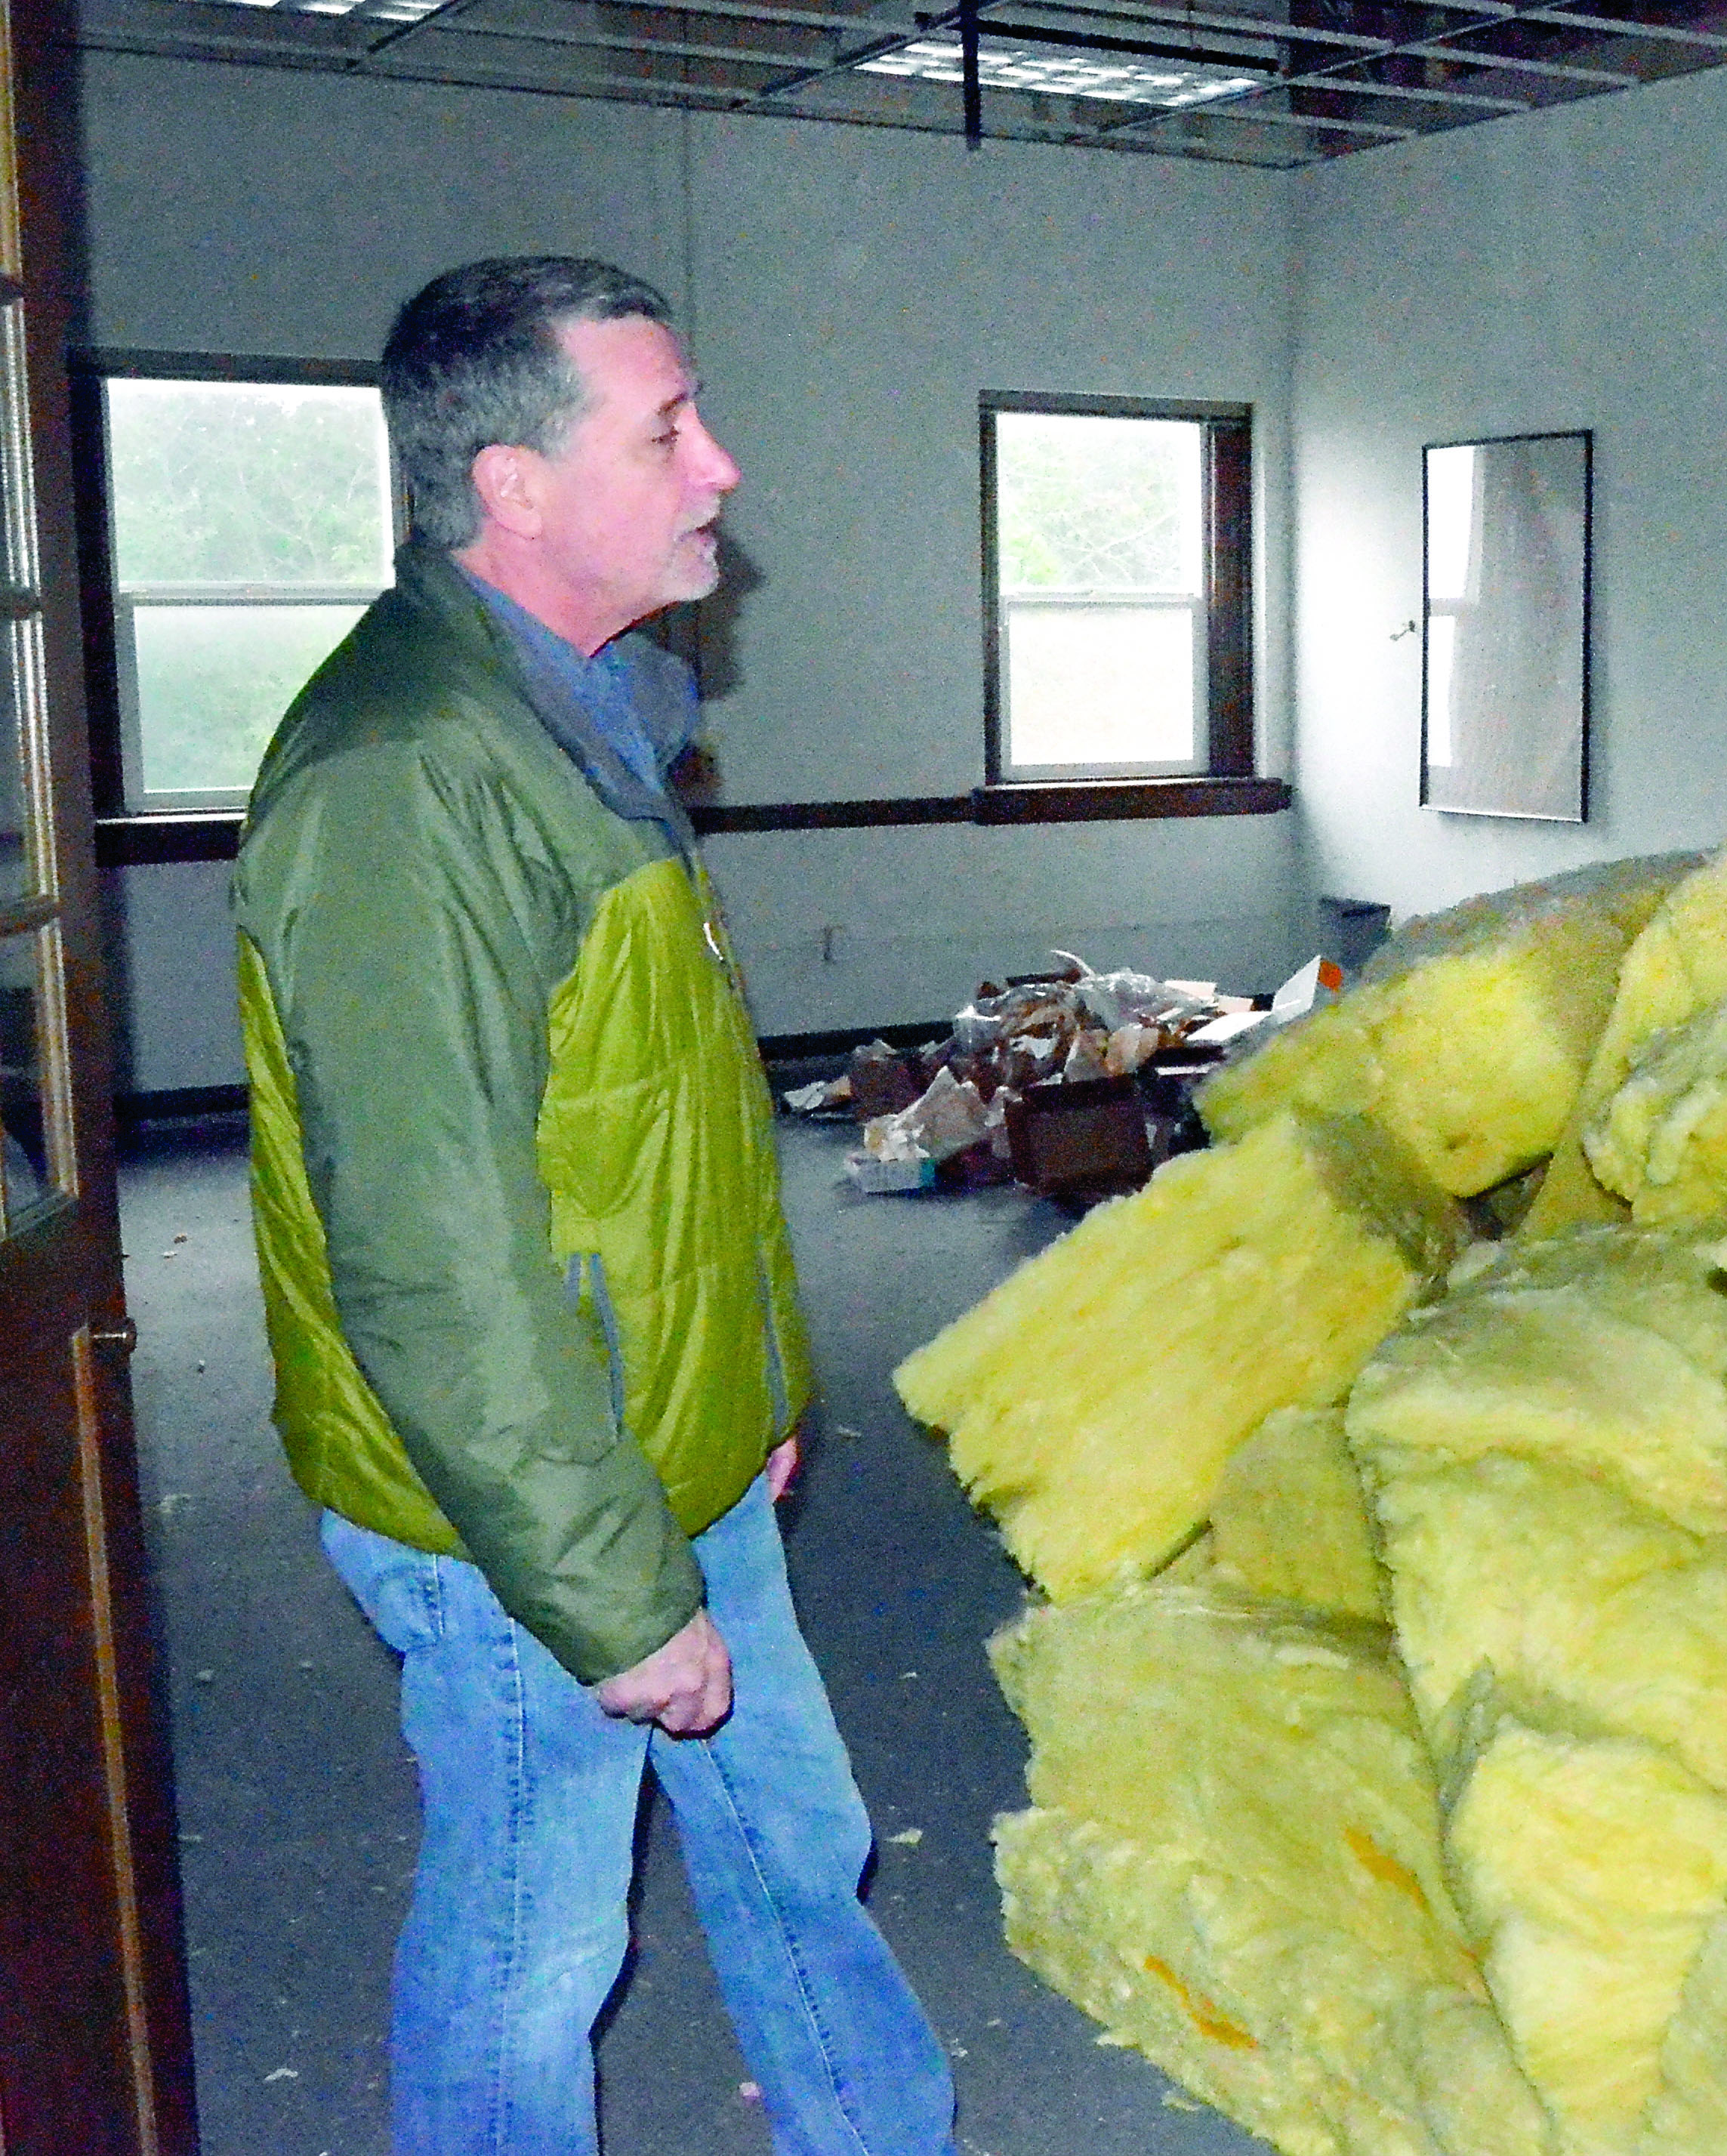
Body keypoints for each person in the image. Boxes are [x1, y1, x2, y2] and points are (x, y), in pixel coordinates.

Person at [232, 257, 957, 2154]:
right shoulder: (409, 778)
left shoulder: (584, 707)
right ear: (517, 488)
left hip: (659, 1445)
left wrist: (753, 1381)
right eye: (667, 428)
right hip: (516, 1510)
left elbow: (649, 1130)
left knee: (797, 1839)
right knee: (533, 1942)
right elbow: (432, 1250)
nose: (721, 465)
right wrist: (615, 1595)